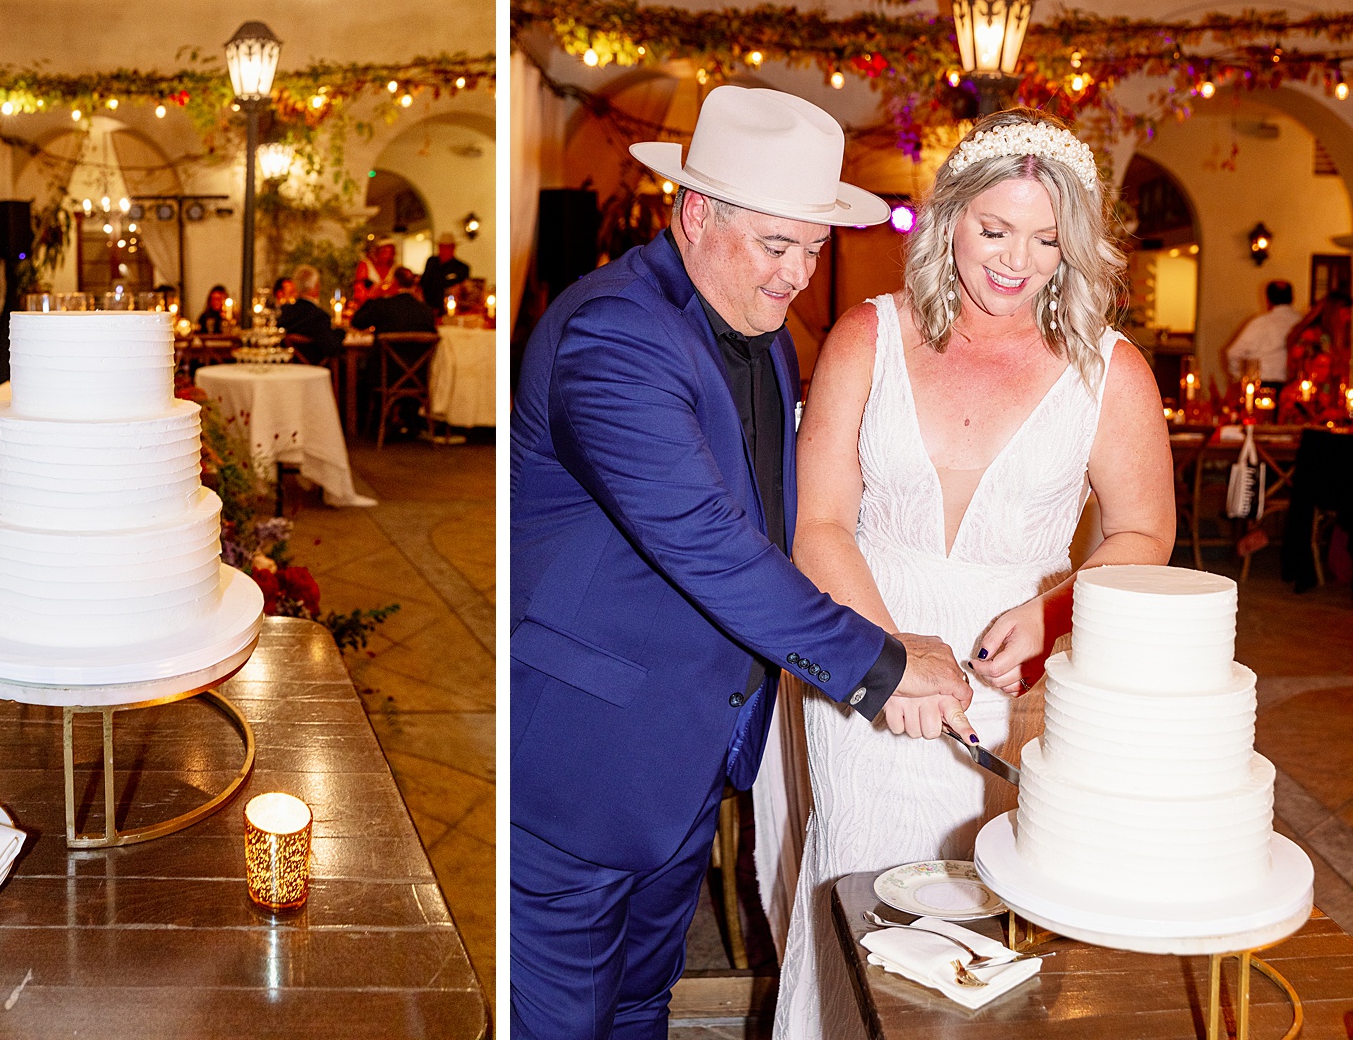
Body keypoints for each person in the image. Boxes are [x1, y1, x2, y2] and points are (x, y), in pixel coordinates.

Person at [511, 86, 974, 1040]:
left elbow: (779, 523)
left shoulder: (761, 340)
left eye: (813, 248)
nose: (800, 275)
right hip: (579, 763)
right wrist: (880, 666)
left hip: (687, 759)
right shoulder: (612, 334)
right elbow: (709, 544)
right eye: (777, 245)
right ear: (693, 211)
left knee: (644, 1004)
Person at [769, 108, 1175, 1039]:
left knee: (991, 930)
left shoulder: (1111, 372)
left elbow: (1146, 531)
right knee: (860, 910)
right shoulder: (866, 336)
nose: (1015, 260)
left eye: (1045, 238)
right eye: (993, 229)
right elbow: (820, 522)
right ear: (949, 215)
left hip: (1013, 689)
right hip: (862, 660)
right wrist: (888, 660)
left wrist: (1053, 611)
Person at [1224, 280, 1300, 388]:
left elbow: (1233, 353)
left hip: (1262, 385)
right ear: (1293, 297)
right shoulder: (1302, 321)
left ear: (1268, 300)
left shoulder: (1260, 323)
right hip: (1293, 387)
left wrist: (1240, 377)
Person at [273, 266, 344, 360]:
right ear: (316, 287)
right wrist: (341, 332)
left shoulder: (282, 313)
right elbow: (331, 349)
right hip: (314, 370)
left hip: (286, 369)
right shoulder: (319, 316)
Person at [351, 267, 438, 334]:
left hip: (385, 357)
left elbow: (357, 322)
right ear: (413, 284)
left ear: (394, 282)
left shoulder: (383, 306)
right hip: (419, 357)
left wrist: (370, 296)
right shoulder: (426, 311)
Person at [420, 232, 472, 310]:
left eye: (447, 247)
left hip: (449, 308)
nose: (443, 250)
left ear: (453, 248)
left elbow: (463, 290)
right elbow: (425, 282)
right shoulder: (432, 262)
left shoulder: (461, 267)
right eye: (441, 247)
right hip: (429, 306)